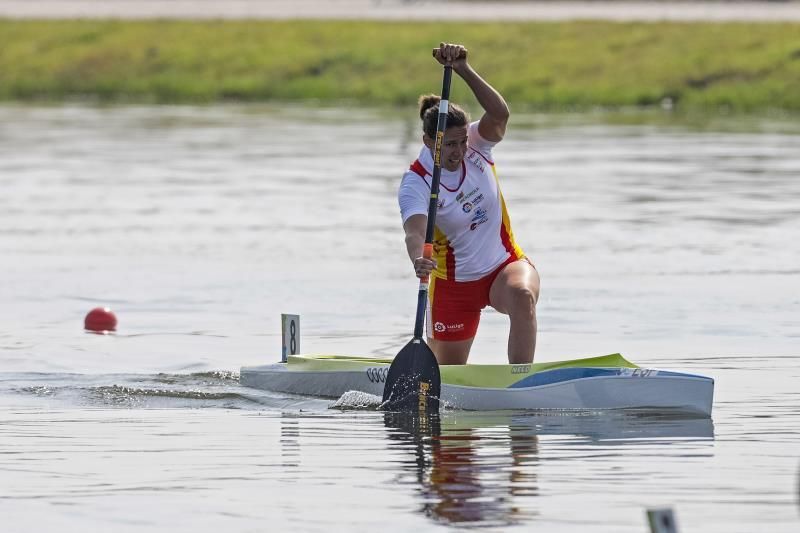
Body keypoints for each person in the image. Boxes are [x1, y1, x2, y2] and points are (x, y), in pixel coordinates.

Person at [398, 42, 540, 365]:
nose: (459, 152)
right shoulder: (417, 181)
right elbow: (414, 233)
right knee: (448, 377)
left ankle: (521, 382)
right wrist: (418, 258)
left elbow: (500, 114)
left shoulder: (476, 144)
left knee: (523, 296)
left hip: (503, 267)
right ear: (428, 142)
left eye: (462, 142)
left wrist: (463, 69)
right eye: (449, 145)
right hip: (453, 287)